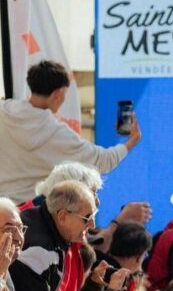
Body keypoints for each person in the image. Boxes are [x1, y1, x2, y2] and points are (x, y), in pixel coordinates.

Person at [0, 60, 142, 204]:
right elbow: (103, 161)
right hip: (28, 213)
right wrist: (131, 141)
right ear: (58, 94)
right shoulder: (58, 134)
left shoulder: (3, 110)